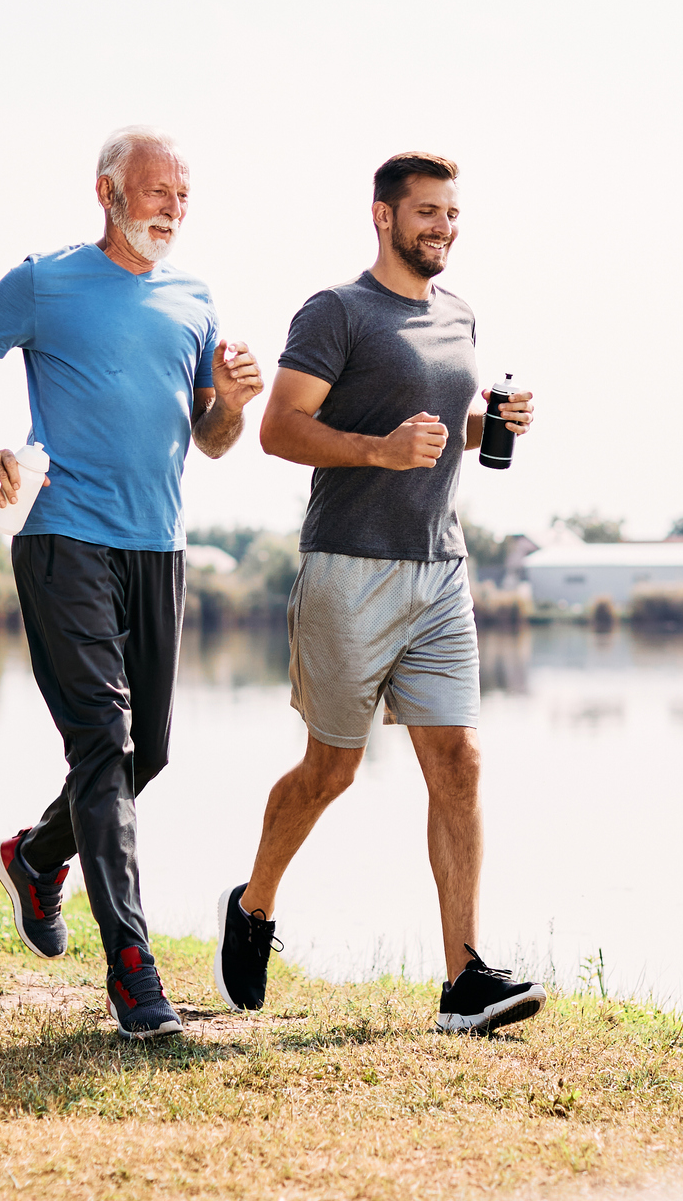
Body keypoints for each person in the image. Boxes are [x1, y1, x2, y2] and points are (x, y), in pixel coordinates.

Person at [0, 125, 264, 1039]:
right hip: (62, 536)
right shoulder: (45, 280)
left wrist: (230, 401)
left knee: (144, 752)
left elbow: (212, 438)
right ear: (108, 192)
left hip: (158, 546)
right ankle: (132, 970)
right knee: (102, 746)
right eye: (157, 191)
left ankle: (36, 858)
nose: (172, 209)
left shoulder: (196, 299)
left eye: (183, 196)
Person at [211, 151, 545, 1035]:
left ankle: (463, 980)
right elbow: (279, 430)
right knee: (331, 771)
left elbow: (437, 434)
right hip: (347, 568)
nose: (442, 227)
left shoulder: (460, 315)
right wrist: (376, 450)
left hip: (440, 568)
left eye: (451, 213)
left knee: (459, 763)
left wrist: (488, 425)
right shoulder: (336, 311)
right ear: (383, 216)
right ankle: (252, 905)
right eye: (426, 212)